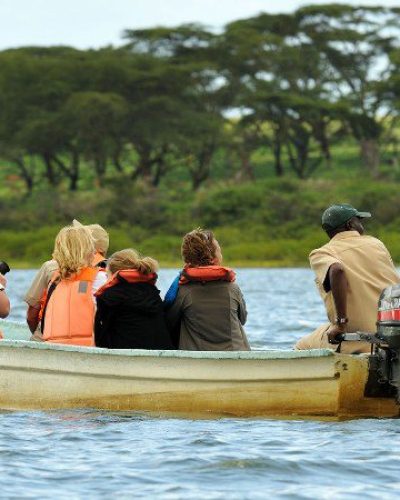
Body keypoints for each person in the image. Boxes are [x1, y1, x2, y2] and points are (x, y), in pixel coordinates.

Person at [295, 204, 400, 354]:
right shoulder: (377, 244)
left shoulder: (322, 253)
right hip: (393, 332)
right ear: (350, 225)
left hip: (360, 338)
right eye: (359, 221)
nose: (361, 225)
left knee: (301, 346)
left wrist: (341, 324)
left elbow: (337, 270)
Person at [165, 228, 250, 351]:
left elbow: (169, 322)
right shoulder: (232, 288)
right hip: (234, 355)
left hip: (198, 358)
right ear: (213, 259)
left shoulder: (183, 291)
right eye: (219, 251)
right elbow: (243, 319)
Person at [25, 220, 109, 340]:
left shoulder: (54, 276)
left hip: (50, 342)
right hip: (86, 346)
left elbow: (31, 316)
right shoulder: (103, 276)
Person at [94, 249, 174, 350]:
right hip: (160, 356)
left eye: (107, 275)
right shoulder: (153, 293)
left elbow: (101, 337)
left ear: (112, 274)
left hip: (125, 358)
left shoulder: (108, 297)